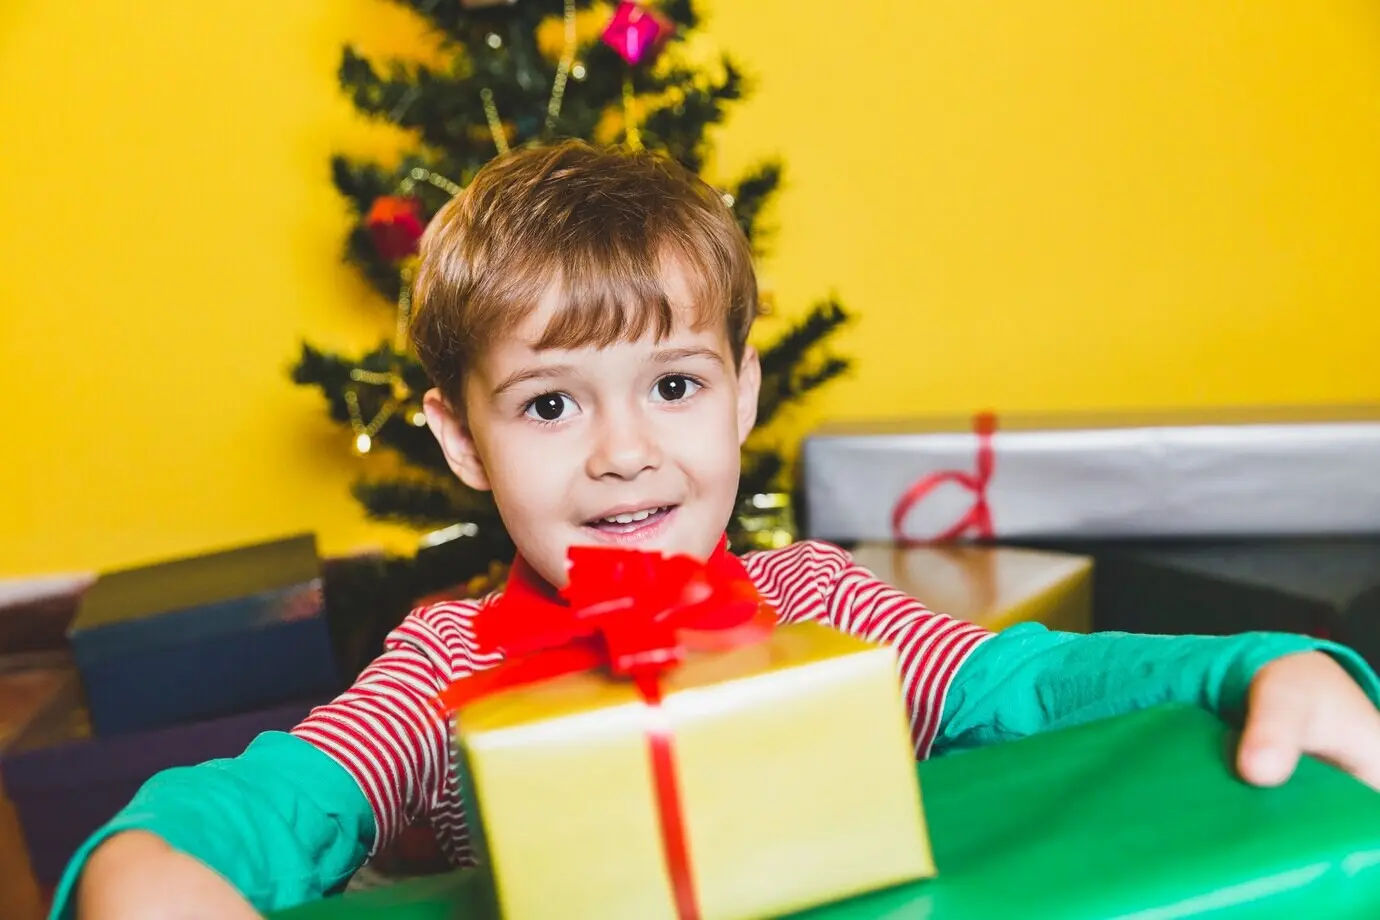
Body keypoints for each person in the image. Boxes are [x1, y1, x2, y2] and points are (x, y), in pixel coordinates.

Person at [66, 141, 1380, 919]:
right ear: (461, 441)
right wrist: (149, 856)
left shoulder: (820, 597)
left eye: (675, 386)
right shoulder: (443, 662)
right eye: (549, 404)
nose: (624, 450)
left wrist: (1250, 665)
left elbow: (1020, 687)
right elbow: (302, 792)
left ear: (744, 393)